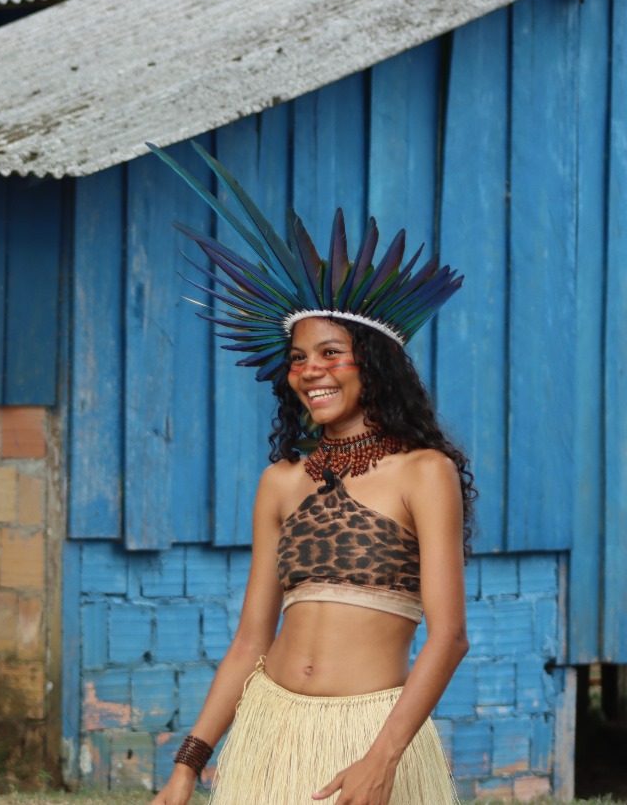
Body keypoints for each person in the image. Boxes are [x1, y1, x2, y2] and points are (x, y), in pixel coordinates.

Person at [146, 145, 472, 805]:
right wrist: (188, 763)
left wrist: (381, 757)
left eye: (330, 352)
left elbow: (450, 636)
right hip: (272, 729)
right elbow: (249, 640)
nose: (311, 370)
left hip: (369, 737)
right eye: (298, 358)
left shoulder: (423, 471)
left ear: (372, 363)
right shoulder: (283, 482)